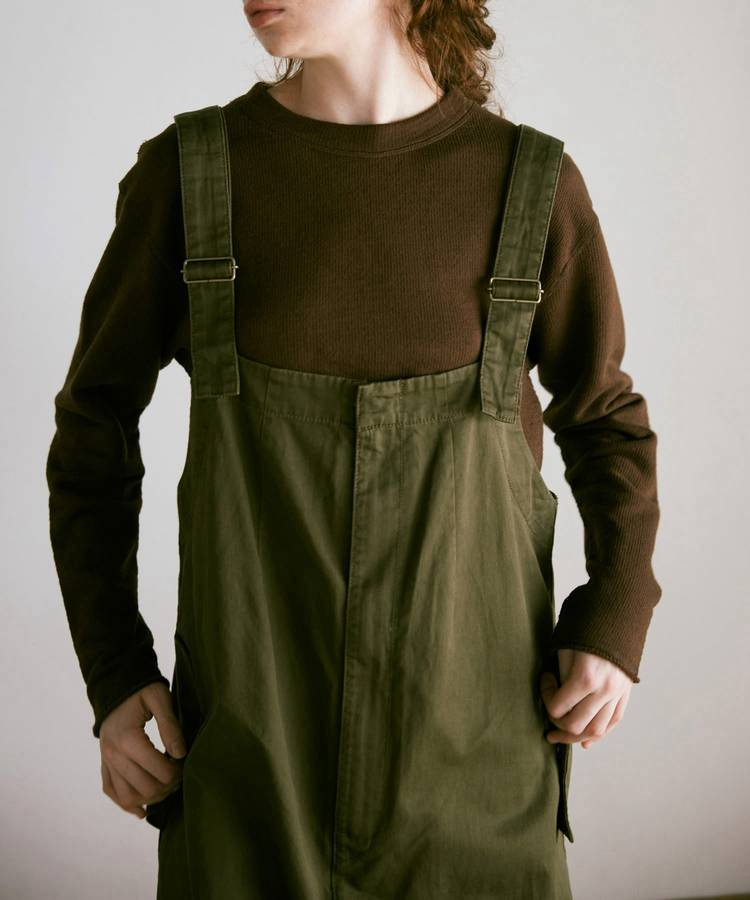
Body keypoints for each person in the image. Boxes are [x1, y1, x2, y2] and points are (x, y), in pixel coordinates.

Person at [45, 0, 662, 897]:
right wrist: (112, 668)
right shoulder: (188, 177)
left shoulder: (530, 185)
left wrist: (616, 615)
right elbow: (92, 430)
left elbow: (605, 421)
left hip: (480, 778)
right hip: (249, 778)